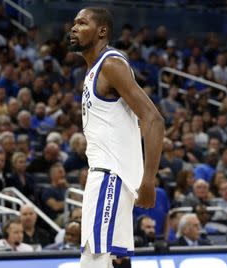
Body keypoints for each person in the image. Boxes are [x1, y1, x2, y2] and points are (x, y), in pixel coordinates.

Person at [70, 7, 164, 267]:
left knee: (93, 262)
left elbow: (154, 119)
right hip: (104, 176)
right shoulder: (93, 71)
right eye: (74, 23)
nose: (74, 28)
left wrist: (148, 180)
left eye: (82, 23)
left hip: (110, 176)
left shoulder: (110, 65)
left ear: (102, 31)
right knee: (115, 262)